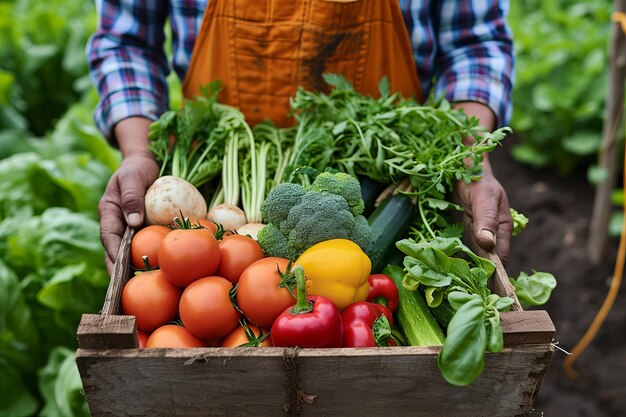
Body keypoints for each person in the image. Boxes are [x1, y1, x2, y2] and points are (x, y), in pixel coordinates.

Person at [87, 0, 514, 273]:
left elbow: (475, 45)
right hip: (208, 191)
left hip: (384, 169)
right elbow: (127, 41)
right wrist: (139, 151)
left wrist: (469, 158)